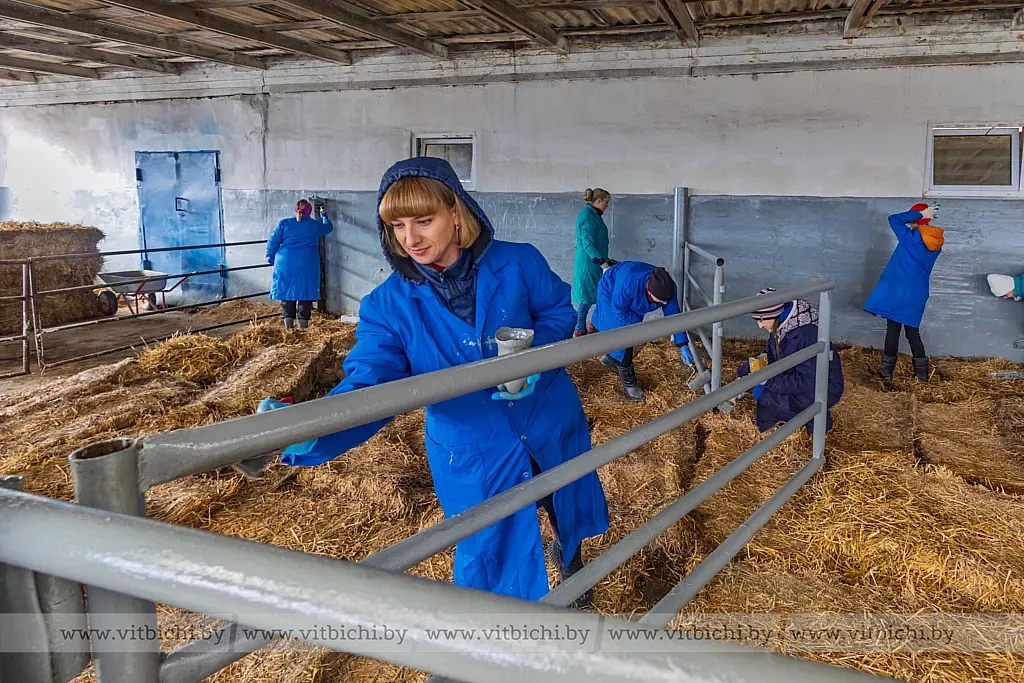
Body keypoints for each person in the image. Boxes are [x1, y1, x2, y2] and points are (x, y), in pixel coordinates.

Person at [262, 158, 609, 608]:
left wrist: (533, 359)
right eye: (398, 226)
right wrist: (307, 426)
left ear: (456, 212)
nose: (411, 238)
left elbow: (560, 312)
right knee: (487, 552)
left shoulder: (519, 262)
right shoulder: (386, 307)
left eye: (424, 221)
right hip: (473, 445)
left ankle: (572, 564)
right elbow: (371, 384)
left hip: (547, 416)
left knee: (565, 501)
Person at [737, 288, 844, 435]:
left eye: (761, 319)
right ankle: (805, 418)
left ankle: (815, 421)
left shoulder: (805, 335)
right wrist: (746, 373)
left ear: (774, 313)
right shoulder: (782, 324)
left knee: (764, 395)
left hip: (823, 386)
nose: (760, 326)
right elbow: (771, 355)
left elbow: (806, 381)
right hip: (804, 378)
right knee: (762, 391)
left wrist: (767, 380)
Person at [863, 203, 942, 382]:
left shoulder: (910, 238)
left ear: (915, 219)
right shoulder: (936, 244)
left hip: (900, 291)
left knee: (893, 330)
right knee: (912, 332)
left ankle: (886, 373)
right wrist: (922, 217)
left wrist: (919, 213)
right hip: (918, 292)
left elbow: (894, 219)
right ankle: (921, 375)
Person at [591, 261, 691, 403]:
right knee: (624, 336)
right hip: (611, 291)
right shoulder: (629, 282)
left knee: (630, 333)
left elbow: (674, 316)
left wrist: (683, 344)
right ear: (649, 291)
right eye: (660, 301)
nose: (663, 304)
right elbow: (619, 310)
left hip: (630, 295)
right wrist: (636, 326)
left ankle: (610, 360)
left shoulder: (668, 288)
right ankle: (628, 383)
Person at [266, 199, 334, 330]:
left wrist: (270, 255)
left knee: (287, 293)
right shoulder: (314, 225)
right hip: (307, 263)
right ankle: (303, 327)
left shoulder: (285, 223)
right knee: (305, 293)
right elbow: (328, 227)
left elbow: (273, 241)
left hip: (285, 262)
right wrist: (324, 216)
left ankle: (289, 328)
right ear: (309, 211)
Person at [572, 188, 612, 338]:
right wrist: (604, 264)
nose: (607, 205)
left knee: (596, 296)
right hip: (589, 264)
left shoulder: (594, 215)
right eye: (606, 202)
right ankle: (579, 331)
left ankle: (592, 326)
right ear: (599, 200)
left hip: (595, 264)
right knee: (586, 300)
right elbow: (588, 244)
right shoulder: (588, 216)